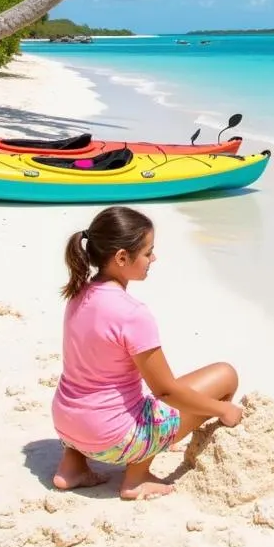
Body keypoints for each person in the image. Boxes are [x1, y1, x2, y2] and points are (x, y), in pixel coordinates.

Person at [50, 206, 242, 500]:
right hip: (110, 437)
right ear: (122, 258)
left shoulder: (77, 293)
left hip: (66, 422)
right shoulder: (132, 314)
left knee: (91, 383)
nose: (154, 258)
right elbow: (165, 391)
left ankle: (72, 466)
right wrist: (223, 410)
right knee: (225, 376)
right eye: (148, 252)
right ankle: (137, 476)